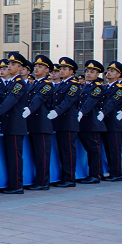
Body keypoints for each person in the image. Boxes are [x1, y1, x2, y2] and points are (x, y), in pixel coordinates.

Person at [0, 52, 29, 194]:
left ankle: (17, 185)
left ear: (20, 68)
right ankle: (13, 183)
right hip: (9, 125)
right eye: (9, 64)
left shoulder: (19, 83)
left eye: (13, 64)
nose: (10, 66)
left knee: (15, 156)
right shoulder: (12, 82)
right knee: (10, 156)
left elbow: (11, 100)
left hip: (16, 126)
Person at [47, 57, 82, 188]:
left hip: (68, 122)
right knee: (62, 151)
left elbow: (67, 101)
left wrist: (56, 112)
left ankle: (69, 178)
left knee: (68, 151)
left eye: (64, 69)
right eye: (60, 69)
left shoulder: (74, 84)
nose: (61, 71)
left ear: (71, 71)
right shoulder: (61, 84)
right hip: (60, 122)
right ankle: (64, 176)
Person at [24, 55, 54, 191]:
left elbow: (38, 99)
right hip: (33, 124)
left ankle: (42, 182)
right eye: (35, 66)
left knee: (42, 155)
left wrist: (28, 109)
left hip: (42, 125)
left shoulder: (47, 85)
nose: (36, 68)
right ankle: (38, 179)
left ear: (47, 70)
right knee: (36, 154)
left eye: (40, 66)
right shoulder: (33, 84)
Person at [76, 60, 105, 184]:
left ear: (97, 74)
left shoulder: (97, 87)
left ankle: (95, 174)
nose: (88, 74)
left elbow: (91, 101)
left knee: (94, 150)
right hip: (84, 123)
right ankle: (94, 173)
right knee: (90, 149)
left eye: (92, 72)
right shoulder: (85, 86)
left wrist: (81, 112)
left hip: (92, 123)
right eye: (87, 71)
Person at [101, 61, 122, 182]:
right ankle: (111, 171)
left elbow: (112, 103)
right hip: (106, 122)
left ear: (118, 74)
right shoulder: (106, 87)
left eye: (112, 71)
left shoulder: (119, 88)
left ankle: (116, 174)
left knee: (115, 149)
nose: (109, 73)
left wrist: (103, 112)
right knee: (108, 149)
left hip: (114, 123)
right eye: (108, 71)